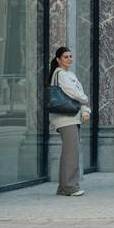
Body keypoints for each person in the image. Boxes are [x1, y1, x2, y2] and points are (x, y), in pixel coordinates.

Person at [48, 46, 91, 197]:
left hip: (72, 116)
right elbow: (74, 93)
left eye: (70, 56)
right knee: (71, 153)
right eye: (66, 57)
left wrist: (85, 109)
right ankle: (70, 187)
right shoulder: (60, 74)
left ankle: (63, 187)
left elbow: (79, 93)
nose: (69, 59)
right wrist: (85, 100)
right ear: (58, 59)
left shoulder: (70, 74)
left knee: (70, 152)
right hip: (64, 117)